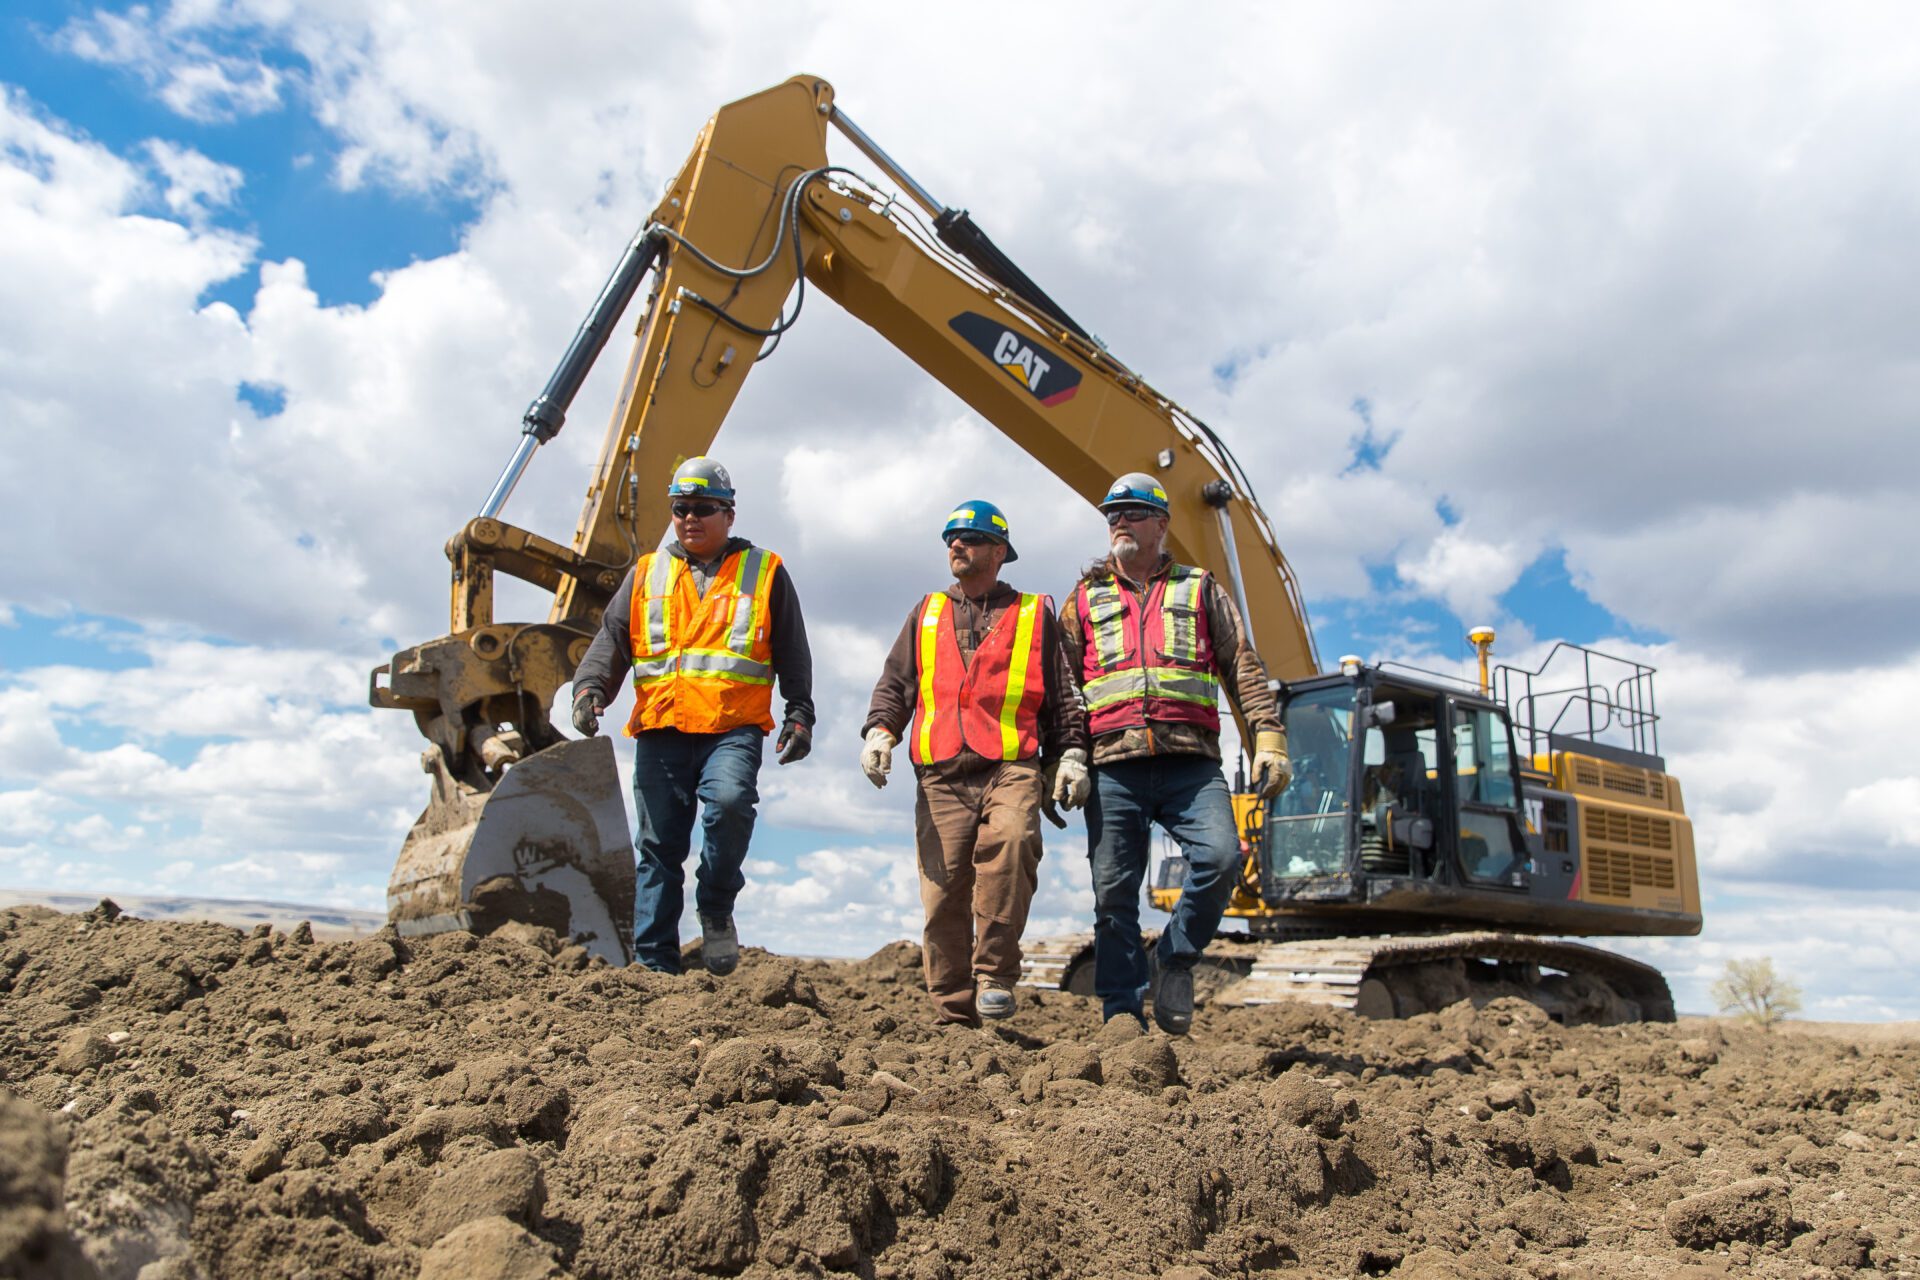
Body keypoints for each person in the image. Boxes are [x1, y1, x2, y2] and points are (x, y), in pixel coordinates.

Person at [1058, 472, 1291, 1035]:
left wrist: (1269, 735)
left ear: (1161, 524)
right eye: (1112, 513)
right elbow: (1064, 684)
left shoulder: (1200, 587)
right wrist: (1068, 755)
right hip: (1113, 766)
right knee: (1113, 893)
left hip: (1190, 763)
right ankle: (1120, 1014)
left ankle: (1176, 958)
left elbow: (1242, 664)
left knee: (1221, 858)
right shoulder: (1084, 598)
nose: (1119, 521)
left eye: (1132, 512)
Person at [570, 456, 814, 975]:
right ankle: (654, 968)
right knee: (658, 848)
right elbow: (612, 641)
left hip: (732, 727)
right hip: (662, 727)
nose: (690, 518)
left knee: (728, 806)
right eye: (681, 508)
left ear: (729, 514)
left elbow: (792, 650)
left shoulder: (764, 571)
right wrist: (590, 690)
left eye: (703, 508)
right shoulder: (647, 573)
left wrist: (799, 713)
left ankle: (716, 903)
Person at [860, 501, 1088, 1026]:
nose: (955, 545)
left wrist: (1071, 753)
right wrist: (880, 730)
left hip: (1010, 764)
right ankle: (952, 1012)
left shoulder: (1035, 613)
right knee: (942, 896)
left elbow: (1061, 695)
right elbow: (896, 683)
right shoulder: (927, 611)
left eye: (970, 538)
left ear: (1000, 551)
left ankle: (995, 974)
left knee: (1009, 844)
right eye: (951, 539)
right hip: (940, 772)